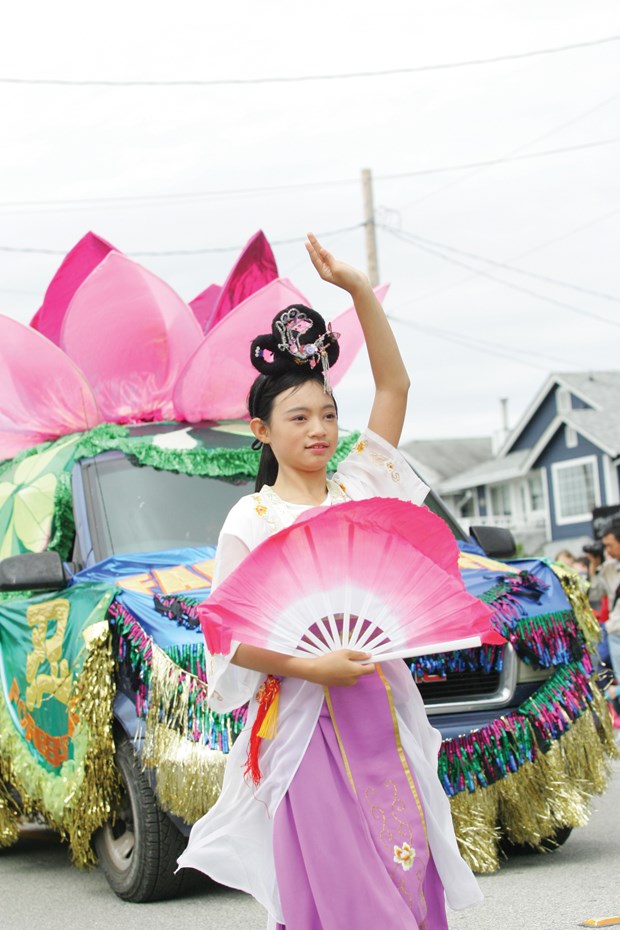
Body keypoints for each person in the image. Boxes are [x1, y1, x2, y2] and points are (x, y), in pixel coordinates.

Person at [177, 233, 483, 929]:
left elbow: (395, 386)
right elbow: (228, 636)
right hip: (305, 724)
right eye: (299, 417)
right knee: (344, 886)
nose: (319, 429)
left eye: (328, 415)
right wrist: (308, 664)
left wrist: (357, 291)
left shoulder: (358, 491)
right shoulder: (251, 519)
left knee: (404, 865)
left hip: (380, 705)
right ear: (260, 429)